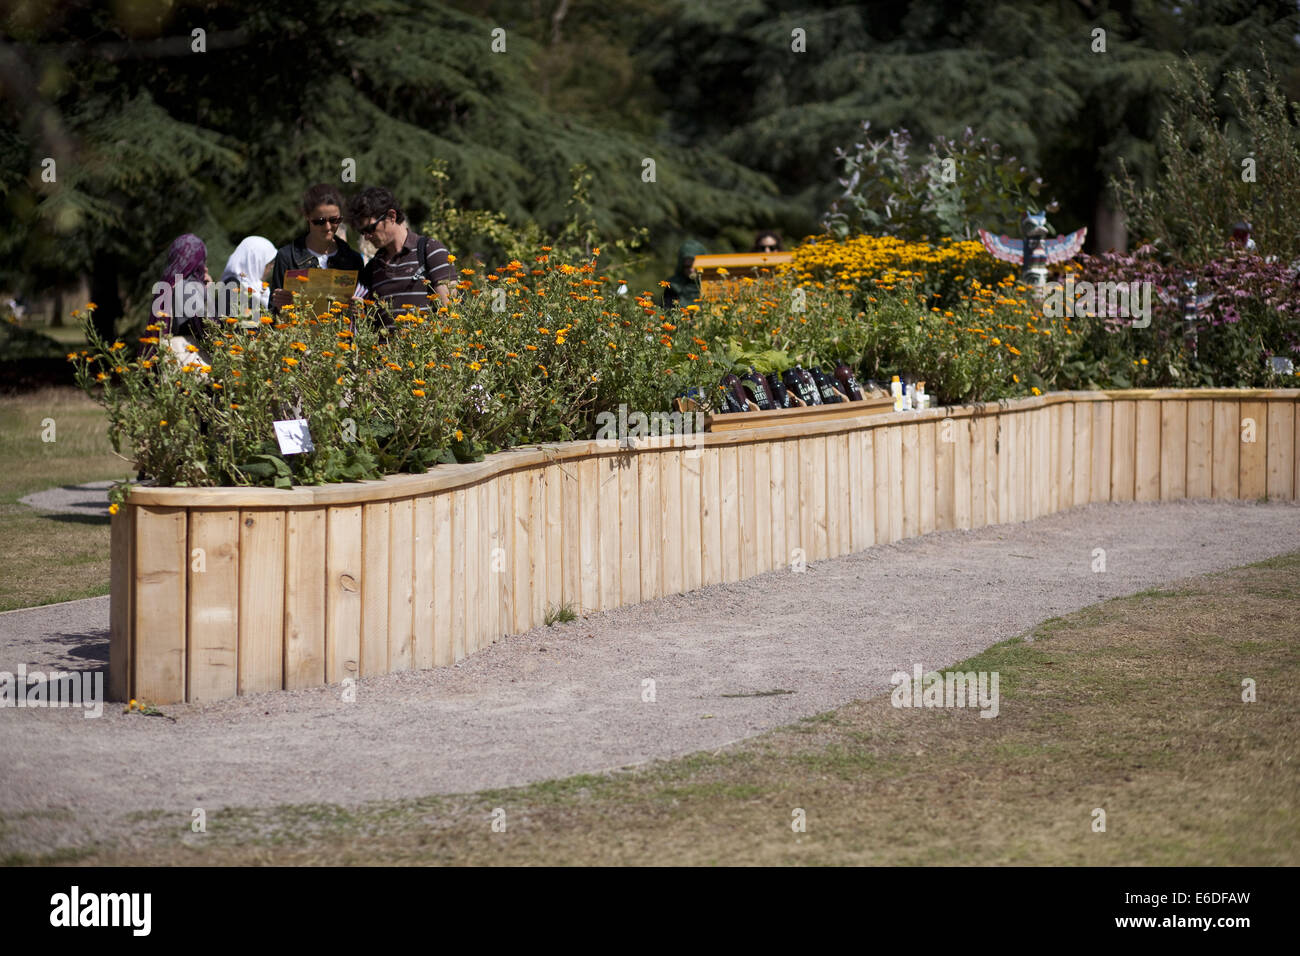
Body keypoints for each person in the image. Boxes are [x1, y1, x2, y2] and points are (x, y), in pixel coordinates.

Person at [348, 186, 454, 325]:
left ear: (392, 216)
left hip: (424, 346)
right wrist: (362, 311)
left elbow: (449, 313)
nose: (367, 237)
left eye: (370, 228)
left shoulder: (430, 250)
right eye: (362, 232)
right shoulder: (373, 268)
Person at [266, 184, 365, 311]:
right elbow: (272, 312)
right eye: (320, 221)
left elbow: (365, 313)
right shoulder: (287, 257)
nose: (328, 227)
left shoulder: (353, 259)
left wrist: (360, 308)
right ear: (307, 216)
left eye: (334, 220)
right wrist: (280, 306)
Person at [148, 233, 211, 361]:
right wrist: (207, 295)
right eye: (202, 262)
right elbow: (208, 329)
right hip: (190, 364)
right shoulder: (187, 286)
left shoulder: (168, 282)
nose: (205, 267)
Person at [219, 236, 276, 314]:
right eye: (270, 262)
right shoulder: (232, 287)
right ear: (256, 261)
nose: (272, 266)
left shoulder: (258, 289)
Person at [663, 239, 707, 310]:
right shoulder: (673, 286)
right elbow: (668, 310)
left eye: (695, 266)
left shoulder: (711, 286)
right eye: (687, 266)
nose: (691, 270)